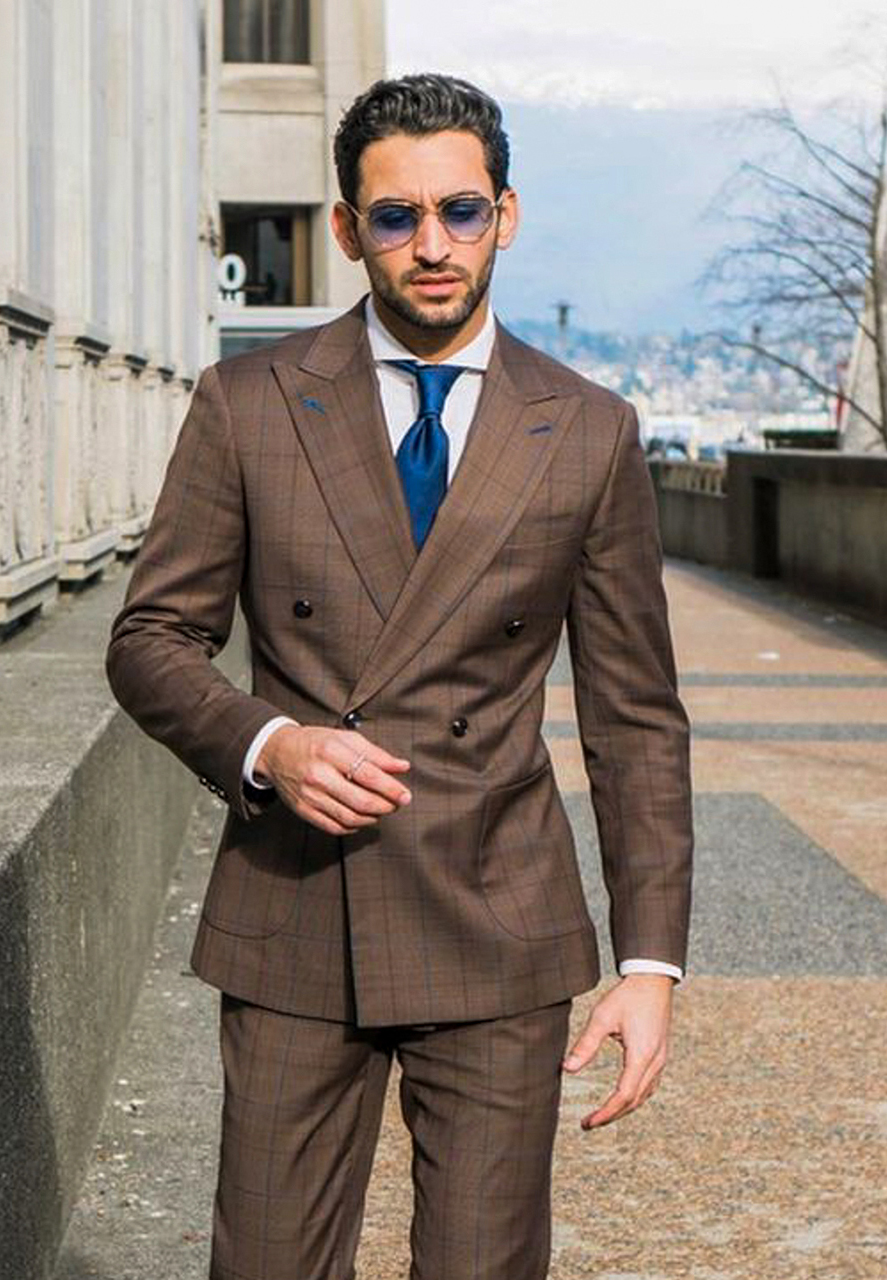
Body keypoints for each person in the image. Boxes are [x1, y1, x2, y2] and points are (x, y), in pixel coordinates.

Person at [105, 72, 693, 1280]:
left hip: (497, 917)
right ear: (345, 229)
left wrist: (648, 964)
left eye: (460, 211)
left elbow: (634, 717)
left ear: (506, 216)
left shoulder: (586, 428)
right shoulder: (249, 402)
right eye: (396, 215)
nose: (433, 245)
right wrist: (271, 743)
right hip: (293, 912)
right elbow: (149, 639)